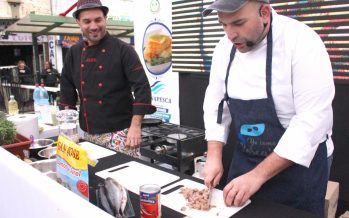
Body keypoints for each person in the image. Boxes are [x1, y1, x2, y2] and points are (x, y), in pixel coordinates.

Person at [202, 0, 335, 217]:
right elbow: (216, 103)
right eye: (223, 25)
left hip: (299, 167)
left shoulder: (301, 42)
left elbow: (312, 121)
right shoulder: (224, 49)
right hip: (248, 157)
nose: (230, 35)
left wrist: (257, 176)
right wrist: (214, 155)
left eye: (238, 23)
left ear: (264, 13)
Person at [59, 0, 156, 158]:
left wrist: (135, 126)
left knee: (123, 180)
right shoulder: (74, 52)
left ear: (105, 19)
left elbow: (142, 88)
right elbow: (67, 90)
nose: (94, 26)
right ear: (78, 22)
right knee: (94, 180)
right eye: (87, 21)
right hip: (88, 133)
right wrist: (68, 128)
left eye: (98, 20)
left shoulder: (123, 50)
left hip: (121, 133)